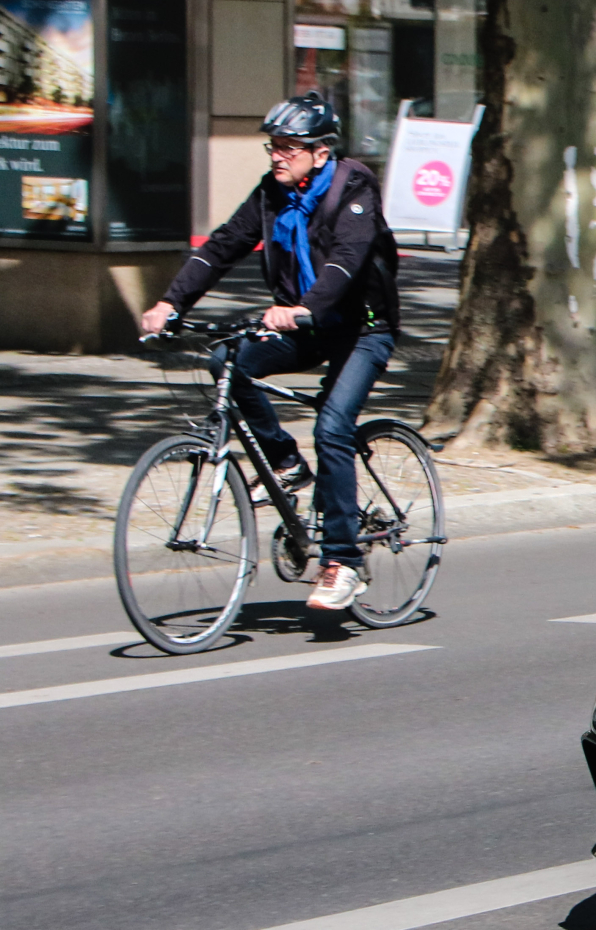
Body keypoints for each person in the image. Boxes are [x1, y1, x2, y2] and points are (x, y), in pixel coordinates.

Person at [136, 93, 399, 614]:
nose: (278, 156)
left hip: (361, 328)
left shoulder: (355, 188)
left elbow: (346, 262)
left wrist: (302, 306)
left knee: (332, 429)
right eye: (273, 146)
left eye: (290, 147)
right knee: (228, 363)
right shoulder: (271, 194)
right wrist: (171, 301)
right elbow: (222, 246)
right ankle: (284, 463)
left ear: (320, 153)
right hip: (304, 324)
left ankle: (342, 562)